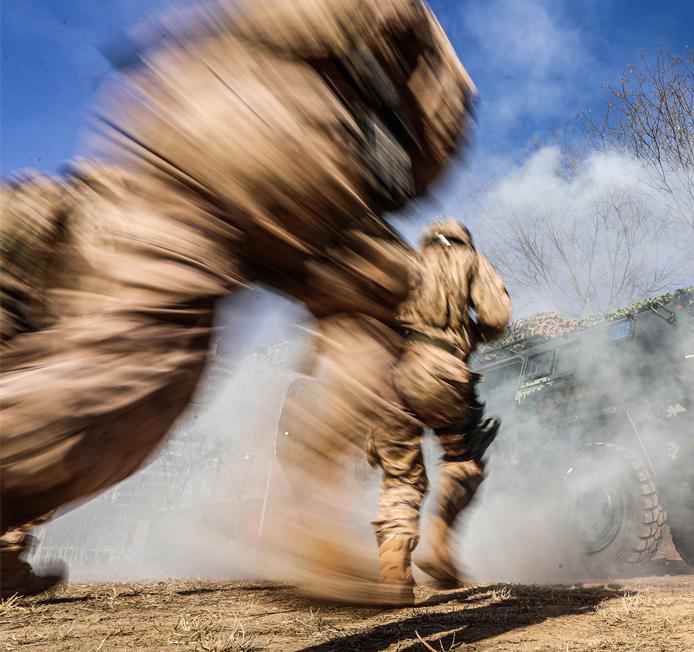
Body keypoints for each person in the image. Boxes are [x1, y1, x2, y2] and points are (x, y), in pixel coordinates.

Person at [0, 0, 475, 599]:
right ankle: (305, 509)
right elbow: (437, 125)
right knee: (374, 306)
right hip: (288, 127)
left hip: (173, 110)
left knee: (133, 369)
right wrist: (390, 176)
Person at [366, 218, 511, 604]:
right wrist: (473, 333)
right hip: (441, 373)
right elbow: (497, 316)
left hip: (389, 377)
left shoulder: (406, 261)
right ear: (463, 239)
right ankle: (441, 544)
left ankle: (394, 572)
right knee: (465, 456)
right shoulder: (470, 260)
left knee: (400, 477)